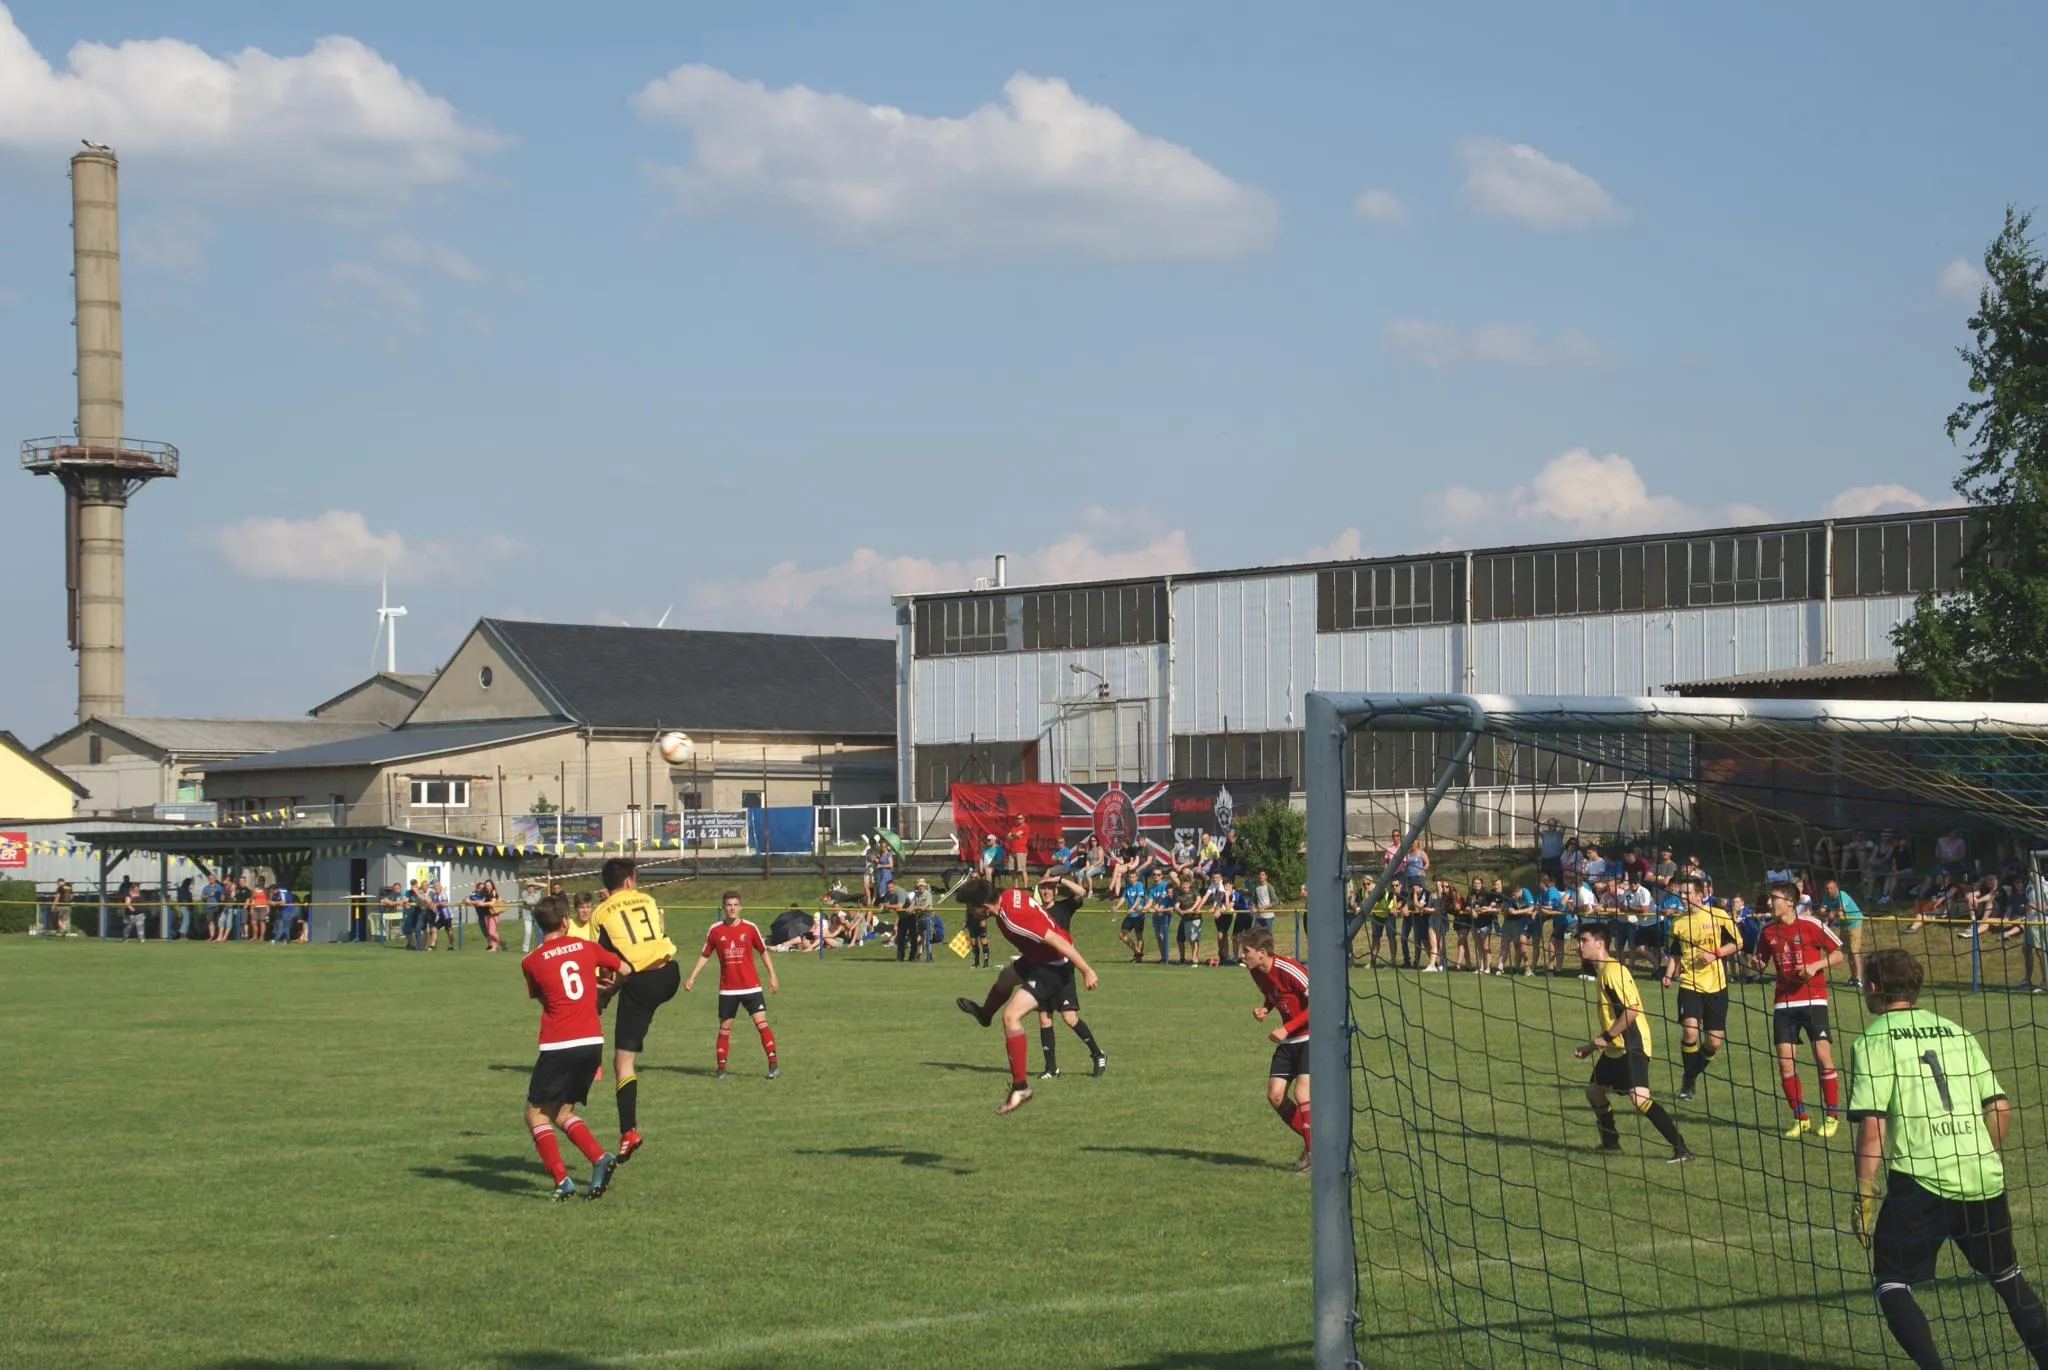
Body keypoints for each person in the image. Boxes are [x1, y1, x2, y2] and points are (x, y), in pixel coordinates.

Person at [1847, 948, 2048, 1368]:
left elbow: (1873, 1126)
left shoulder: (1873, 1041)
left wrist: (1863, 1192)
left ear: (1873, 988)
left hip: (1921, 1180)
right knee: (2008, 1278)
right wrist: (1977, 1153)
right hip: (1982, 1177)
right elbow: (2000, 1108)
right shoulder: (1958, 1033)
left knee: (1892, 1281)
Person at [950, 877, 1102, 1114]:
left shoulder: (1012, 919)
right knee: (1005, 977)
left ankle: (1020, 1087)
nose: (970, 912)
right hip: (1037, 958)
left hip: (1052, 967)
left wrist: (1086, 970)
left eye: (971, 907)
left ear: (984, 906)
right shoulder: (1011, 894)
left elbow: (1056, 940)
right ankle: (985, 1014)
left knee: (1011, 1017)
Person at [518, 893, 629, 1201]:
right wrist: (603, 992)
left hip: (559, 1043)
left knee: (535, 1114)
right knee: (562, 1111)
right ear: (566, 921)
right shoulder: (586, 947)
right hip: (592, 1042)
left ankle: (561, 1180)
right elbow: (625, 969)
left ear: (540, 925)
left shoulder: (530, 961)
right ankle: (600, 1158)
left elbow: (544, 998)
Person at [1572, 922, 1693, 1163]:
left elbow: (1632, 1010)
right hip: (1616, 1046)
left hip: (1632, 1044)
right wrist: (1594, 1045)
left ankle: (1682, 1150)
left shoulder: (1614, 972)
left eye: (1584, 940)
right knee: (1594, 1092)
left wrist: (1603, 1039)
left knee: (1639, 1099)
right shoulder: (1603, 971)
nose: (1578, 946)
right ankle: (1611, 1144)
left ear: (1600, 943)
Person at [589, 859, 681, 1165]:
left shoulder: (601, 912)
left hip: (642, 982)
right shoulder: (648, 900)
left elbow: (608, 962)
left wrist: (604, 993)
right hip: (670, 974)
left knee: (623, 1061)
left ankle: (628, 1132)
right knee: (630, 977)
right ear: (629, 881)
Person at [1755, 879, 1847, 1139]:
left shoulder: (1811, 924)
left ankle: (1832, 1115)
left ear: (1789, 901)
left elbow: (1839, 953)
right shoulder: (1767, 931)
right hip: (1783, 1003)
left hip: (1813, 1000)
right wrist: (1754, 961)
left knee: (1822, 1055)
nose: (1769, 902)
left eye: (1774, 898)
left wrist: (1815, 966)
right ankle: (1801, 1118)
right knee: (1785, 1062)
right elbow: (1760, 961)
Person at [683, 890, 780, 1080]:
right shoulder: (715, 930)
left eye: (735, 905)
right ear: (723, 907)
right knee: (725, 1028)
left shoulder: (750, 928)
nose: (732, 908)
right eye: (729, 905)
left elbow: (763, 951)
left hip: (751, 986)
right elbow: (705, 955)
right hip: (728, 989)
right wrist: (692, 977)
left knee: (761, 1024)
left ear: (740, 907)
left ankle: (773, 1065)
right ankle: (721, 1069)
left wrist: (772, 975)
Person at [1660, 875, 1741, 1101]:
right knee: (1690, 1031)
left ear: (1699, 895)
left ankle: (1691, 1074)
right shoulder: (1678, 923)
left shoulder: (1718, 915)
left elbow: (1738, 943)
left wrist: (1715, 954)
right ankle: (1689, 1082)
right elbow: (1675, 954)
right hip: (1689, 984)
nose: (1682, 897)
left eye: (1687, 893)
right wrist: (1668, 974)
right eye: (1680, 893)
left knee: (1713, 1042)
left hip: (1717, 986)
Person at [1239, 927, 1313, 1172]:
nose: (1241, 955)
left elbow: (1321, 1002)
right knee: (1275, 1096)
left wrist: (1286, 1027)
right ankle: (1315, 1142)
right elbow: (1274, 994)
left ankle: (1314, 1154)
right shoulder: (1256, 972)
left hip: (1312, 1036)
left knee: (1302, 1093)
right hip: (1290, 1040)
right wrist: (1266, 1009)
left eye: (1246, 951)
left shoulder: (1289, 968)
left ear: (1261, 952)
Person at [1024, 870, 1106, 1079]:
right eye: (1043, 888)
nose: (1046, 892)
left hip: (1062, 969)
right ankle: (1051, 1068)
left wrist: (1059, 879)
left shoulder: (1063, 907)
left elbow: (1082, 892)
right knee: (1044, 1018)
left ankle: (1098, 1054)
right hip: (1042, 969)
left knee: (1069, 1018)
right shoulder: (1035, 912)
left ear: (1055, 890)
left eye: (1049, 888)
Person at [1817, 876, 1865, 987]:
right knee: (1847, 951)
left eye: (1830, 888)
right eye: (1827, 888)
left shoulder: (1842, 895)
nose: (1828, 891)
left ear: (1836, 888)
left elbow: (1840, 912)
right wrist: (1828, 914)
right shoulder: (1827, 897)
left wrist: (1831, 913)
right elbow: (1821, 910)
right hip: (1844, 925)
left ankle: (1859, 979)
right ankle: (1853, 977)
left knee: (1854, 951)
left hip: (1855, 922)